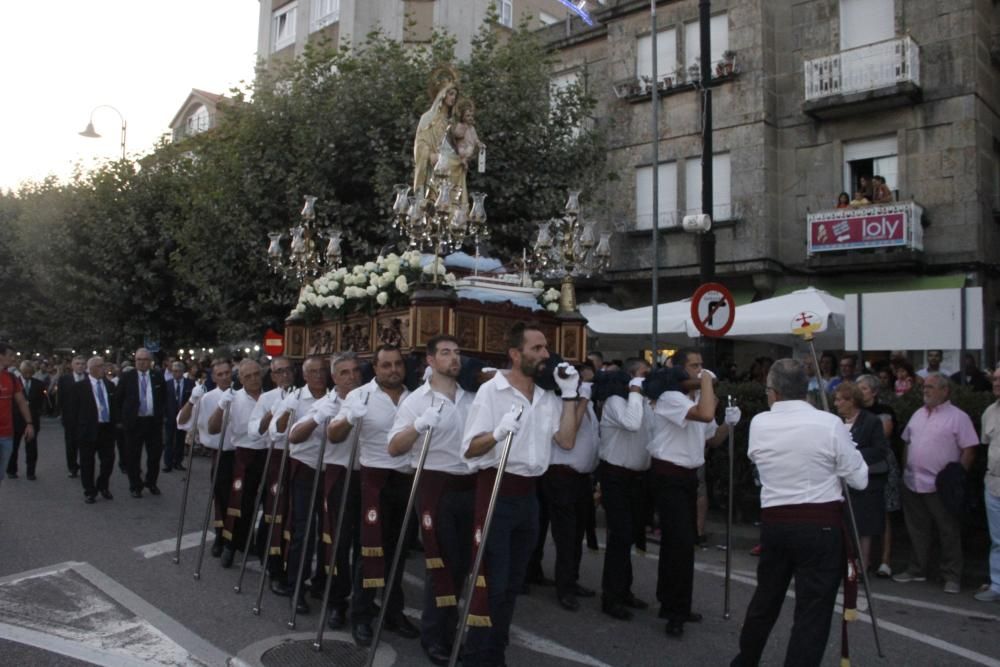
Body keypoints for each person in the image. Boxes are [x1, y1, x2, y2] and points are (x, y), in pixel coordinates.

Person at [460, 322, 584, 667]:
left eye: (545, 348)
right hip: (496, 488)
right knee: (491, 583)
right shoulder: (492, 392)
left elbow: (567, 441)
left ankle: (494, 655)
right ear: (516, 355)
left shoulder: (547, 397)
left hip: (529, 497)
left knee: (513, 585)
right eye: (537, 349)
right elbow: (469, 448)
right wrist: (498, 434)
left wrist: (571, 395)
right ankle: (473, 656)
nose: (545, 355)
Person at [730, 359, 868, 667]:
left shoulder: (760, 423)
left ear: (775, 392)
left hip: (776, 525)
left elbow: (759, 457)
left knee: (766, 599)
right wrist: (848, 444)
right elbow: (858, 478)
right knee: (813, 611)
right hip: (820, 526)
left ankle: (745, 660)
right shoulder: (829, 424)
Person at [387, 335, 474, 665]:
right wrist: (419, 426)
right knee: (442, 562)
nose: (454, 358)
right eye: (446, 353)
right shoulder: (416, 402)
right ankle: (435, 635)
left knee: (463, 564)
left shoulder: (471, 398)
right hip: (435, 483)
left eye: (457, 352)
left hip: (469, 485)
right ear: (430, 361)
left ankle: (449, 630)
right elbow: (394, 446)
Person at [328, 345, 418, 646]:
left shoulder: (414, 396)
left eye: (397, 365)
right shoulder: (360, 395)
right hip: (374, 479)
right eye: (386, 365)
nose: (393, 370)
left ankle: (393, 612)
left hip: (405, 480)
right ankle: (361, 615)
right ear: (376, 369)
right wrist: (349, 418)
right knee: (370, 552)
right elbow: (334, 434)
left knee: (398, 551)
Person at [646, 350, 732, 639]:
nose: (701, 370)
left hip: (688, 477)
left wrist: (729, 424)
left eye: (702, 365)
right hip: (668, 474)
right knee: (679, 542)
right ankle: (674, 611)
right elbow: (705, 413)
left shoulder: (695, 399)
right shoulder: (671, 398)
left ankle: (674, 603)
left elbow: (712, 438)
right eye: (695, 366)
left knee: (683, 543)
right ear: (681, 371)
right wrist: (707, 383)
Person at [893, 373, 979, 593]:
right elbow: (907, 443)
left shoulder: (958, 417)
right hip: (913, 482)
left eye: (930, 387)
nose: (926, 391)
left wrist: (957, 478)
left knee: (948, 530)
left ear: (944, 391)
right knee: (917, 529)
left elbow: (969, 448)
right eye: (924, 387)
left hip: (940, 485)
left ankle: (951, 575)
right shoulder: (917, 415)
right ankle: (917, 569)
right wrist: (906, 471)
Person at [273, 355, 333, 613]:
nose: (319, 376)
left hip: (332, 469)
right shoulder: (295, 398)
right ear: (305, 375)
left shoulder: (338, 396)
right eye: (314, 372)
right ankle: (296, 584)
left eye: (323, 371)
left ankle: (323, 581)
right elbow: (277, 433)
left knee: (330, 530)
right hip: (305, 468)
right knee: (304, 530)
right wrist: (287, 413)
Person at [538, 367, 599, 613]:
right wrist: (581, 399)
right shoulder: (557, 403)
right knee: (565, 534)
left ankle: (571, 580)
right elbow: (569, 434)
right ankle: (564, 588)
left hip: (582, 477)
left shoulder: (588, 403)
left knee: (577, 534)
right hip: (561, 474)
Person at [596, 360, 652, 621]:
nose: (646, 380)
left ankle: (624, 589)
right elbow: (632, 423)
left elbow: (650, 430)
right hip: (616, 475)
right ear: (630, 378)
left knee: (629, 536)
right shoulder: (615, 402)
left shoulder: (639, 401)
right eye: (642, 375)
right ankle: (611, 597)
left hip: (636, 478)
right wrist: (635, 391)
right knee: (620, 536)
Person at [247, 355, 296, 596]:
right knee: (275, 512)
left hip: (301, 459)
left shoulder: (305, 393)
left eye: (288, 370)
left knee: (297, 514)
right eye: (279, 371)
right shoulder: (267, 398)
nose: (284, 374)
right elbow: (254, 431)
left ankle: (296, 566)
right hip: (276, 457)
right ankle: (275, 568)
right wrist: (270, 416)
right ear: (273, 375)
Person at [177, 358, 235, 557]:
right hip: (222, 454)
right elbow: (182, 421)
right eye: (220, 374)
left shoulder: (243, 394)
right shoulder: (208, 398)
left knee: (244, 499)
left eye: (227, 372)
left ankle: (239, 538)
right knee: (221, 497)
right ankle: (221, 536)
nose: (225, 377)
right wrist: (192, 400)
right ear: (213, 377)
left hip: (245, 453)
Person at [833, 382, 890, 569]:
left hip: (865, 481)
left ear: (852, 401)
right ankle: (845, 560)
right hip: (839, 482)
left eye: (840, 400)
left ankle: (863, 564)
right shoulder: (836, 422)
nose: (836, 403)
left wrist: (854, 456)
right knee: (844, 523)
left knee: (864, 524)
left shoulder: (871, 421)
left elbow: (880, 450)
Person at [218, 359, 265, 568]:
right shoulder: (233, 398)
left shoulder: (272, 396)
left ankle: (261, 545)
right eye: (248, 376)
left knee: (271, 504)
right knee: (240, 504)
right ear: (240, 379)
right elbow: (212, 428)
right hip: (245, 454)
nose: (253, 379)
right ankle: (231, 544)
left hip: (270, 453)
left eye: (256, 374)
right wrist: (222, 407)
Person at [856, 374, 901, 578]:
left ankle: (885, 560)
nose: (860, 391)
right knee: (863, 513)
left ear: (874, 391)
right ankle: (864, 559)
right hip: (859, 464)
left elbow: (883, 435)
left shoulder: (884, 412)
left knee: (884, 512)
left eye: (864, 388)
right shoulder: (855, 412)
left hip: (882, 465)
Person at [114, 348, 165, 498]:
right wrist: (119, 420)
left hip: (153, 423)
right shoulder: (127, 377)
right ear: (135, 361)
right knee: (133, 456)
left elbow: (163, 398)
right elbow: (118, 399)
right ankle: (135, 485)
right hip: (134, 423)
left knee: (154, 456)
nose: (142, 362)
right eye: (139, 359)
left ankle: (151, 482)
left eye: (145, 360)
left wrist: (162, 415)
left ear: (150, 362)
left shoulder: (157, 376)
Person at [70, 356, 117, 503]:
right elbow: (73, 412)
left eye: (104, 366)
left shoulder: (109, 385)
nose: (104, 369)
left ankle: (103, 485)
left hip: (106, 428)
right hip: (88, 429)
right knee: (87, 462)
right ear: (92, 369)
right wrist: (76, 431)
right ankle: (89, 491)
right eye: (101, 366)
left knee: (108, 460)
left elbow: (114, 406)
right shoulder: (79, 387)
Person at [413, 72, 458, 197]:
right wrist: (430, 155)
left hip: (449, 174)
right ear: (442, 94)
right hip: (431, 172)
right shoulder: (428, 118)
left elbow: (456, 149)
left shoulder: (451, 122)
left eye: (455, 95)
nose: (453, 98)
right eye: (451, 94)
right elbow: (419, 144)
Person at [978, 365, 1000, 602]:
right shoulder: (989, 413)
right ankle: (997, 584)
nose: (996, 383)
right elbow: (987, 444)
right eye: (994, 379)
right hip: (994, 483)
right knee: (998, 539)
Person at [0, 344, 36, 487]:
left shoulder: (11, 377)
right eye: (10, 355)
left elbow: (21, 402)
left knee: (1, 474)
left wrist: (29, 423)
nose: (14, 359)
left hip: (7, 434)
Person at [8, 360, 44, 480]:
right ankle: (12, 470)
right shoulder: (14, 383)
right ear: (21, 371)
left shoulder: (39, 384)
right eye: (25, 373)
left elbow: (41, 402)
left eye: (30, 373)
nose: (28, 375)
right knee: (14, 446)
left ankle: (31, 471)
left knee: (31, 447)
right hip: (16, 419)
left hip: (32, 419)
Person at [57, 355, 87, 477]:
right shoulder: (65, 379)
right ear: (72, 365)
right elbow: (61, 398)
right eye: (77, 363)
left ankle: (85, 466)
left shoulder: (89, 379)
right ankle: (72, 467)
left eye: (82, 363)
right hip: (70, 417)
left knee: (86, 444)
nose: (80, 366)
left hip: (86, 417)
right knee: (71, 444)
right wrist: (62, 414)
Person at [163, 361, 193, 472]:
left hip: (183, 416)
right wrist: (165, 415)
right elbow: (163, 401)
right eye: (173, 371)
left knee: (180, 440)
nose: (175, 374)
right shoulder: (167, 384)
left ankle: (178, 462)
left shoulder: (189, 384)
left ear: (182, 372)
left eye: (178, 371)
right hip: (170, 416)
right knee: (169, 440)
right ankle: (168, 463)